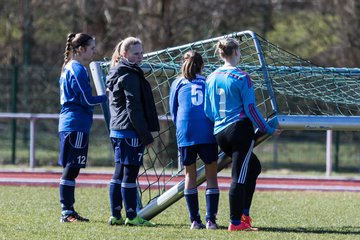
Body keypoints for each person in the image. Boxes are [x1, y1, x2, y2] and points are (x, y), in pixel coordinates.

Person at [204, 37, 282, 231]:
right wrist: (268, 129)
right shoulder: (241, 77)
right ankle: (236, 222)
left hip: (220, 133)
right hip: (239, 130)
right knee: (239, 176)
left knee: (253, 167)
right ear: (237, 52)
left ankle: (244, 214)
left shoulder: (211, 77)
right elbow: (251, 109)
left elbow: (208, 110)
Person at [106, 37, 159, 227]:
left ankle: (115, 215)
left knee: (118, 174)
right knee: (129, 175)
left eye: (141, 52)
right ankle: (131, 215)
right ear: (124, 54)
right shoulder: (129, 75)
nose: (140, 57)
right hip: (129, 132)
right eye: (136, 53)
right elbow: (133, 109)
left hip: (117, 130)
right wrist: (145, 134)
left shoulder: (115, 71)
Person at [58, 32, 107, 222]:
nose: (94, 51)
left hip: (74, 123)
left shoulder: (69, 67)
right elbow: (86, 99)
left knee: (72, 168)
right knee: (71, 168)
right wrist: (106, 96)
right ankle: (66, 212)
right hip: (75, 123)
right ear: (80, 49)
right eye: (92, 48)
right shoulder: (77, 69)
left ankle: (68, 211)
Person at [169, 51, 219, 230]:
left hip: (185, 132)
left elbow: (173, 112)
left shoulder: (177, 83)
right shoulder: (209, 81)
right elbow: (213, 108)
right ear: (202, 65)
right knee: (211, 175)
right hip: (207, 131)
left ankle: (194, 221)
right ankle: (211, 221)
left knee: (190, 175)